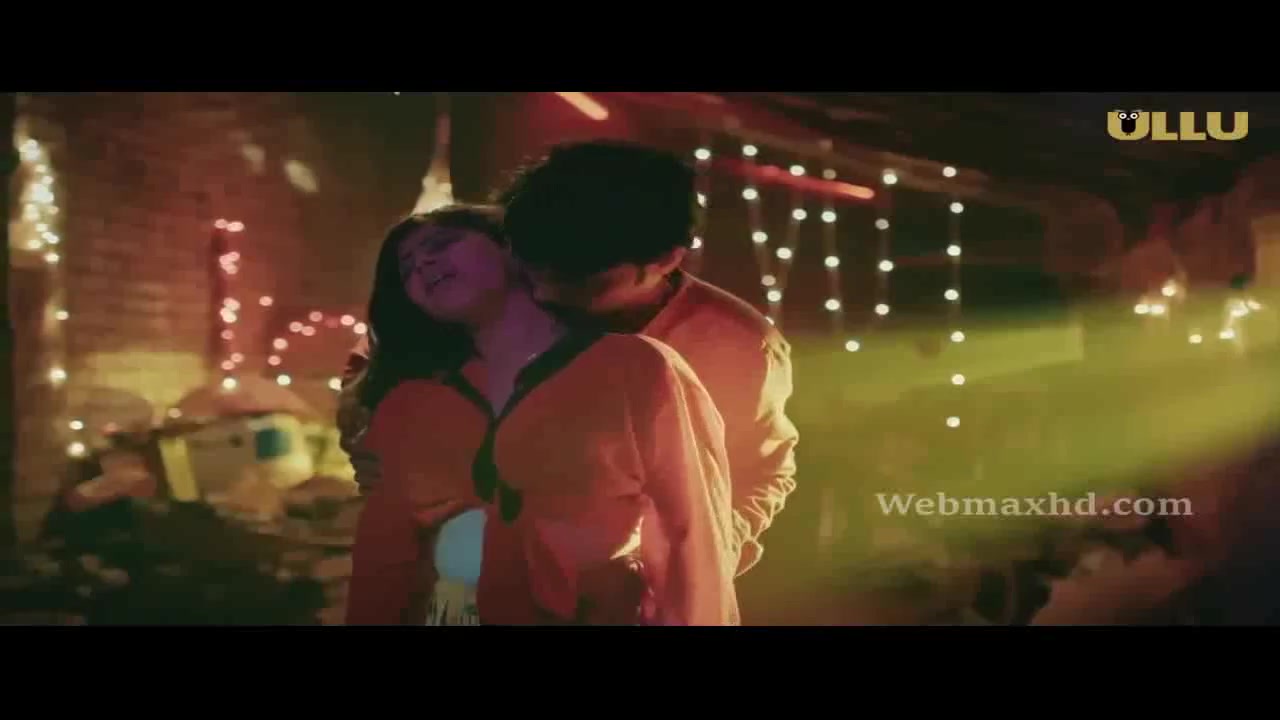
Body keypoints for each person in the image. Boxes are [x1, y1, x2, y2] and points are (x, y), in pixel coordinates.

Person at [340, 140, 799, 578]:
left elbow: (758, 474)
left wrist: (686, 562)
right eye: (533, 269)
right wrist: (379, 443)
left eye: (580, 281)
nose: (544, 294)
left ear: (665, 260)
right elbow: (386, 351)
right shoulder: (514, 262)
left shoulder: (731, 347)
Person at [344, 204, 740, 625]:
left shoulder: (633, 367)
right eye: (406, 267)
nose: (423, 264)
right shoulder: (413, 403)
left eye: (442, 244)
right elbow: (383, 555)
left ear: (510, 247)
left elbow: (690, 533)